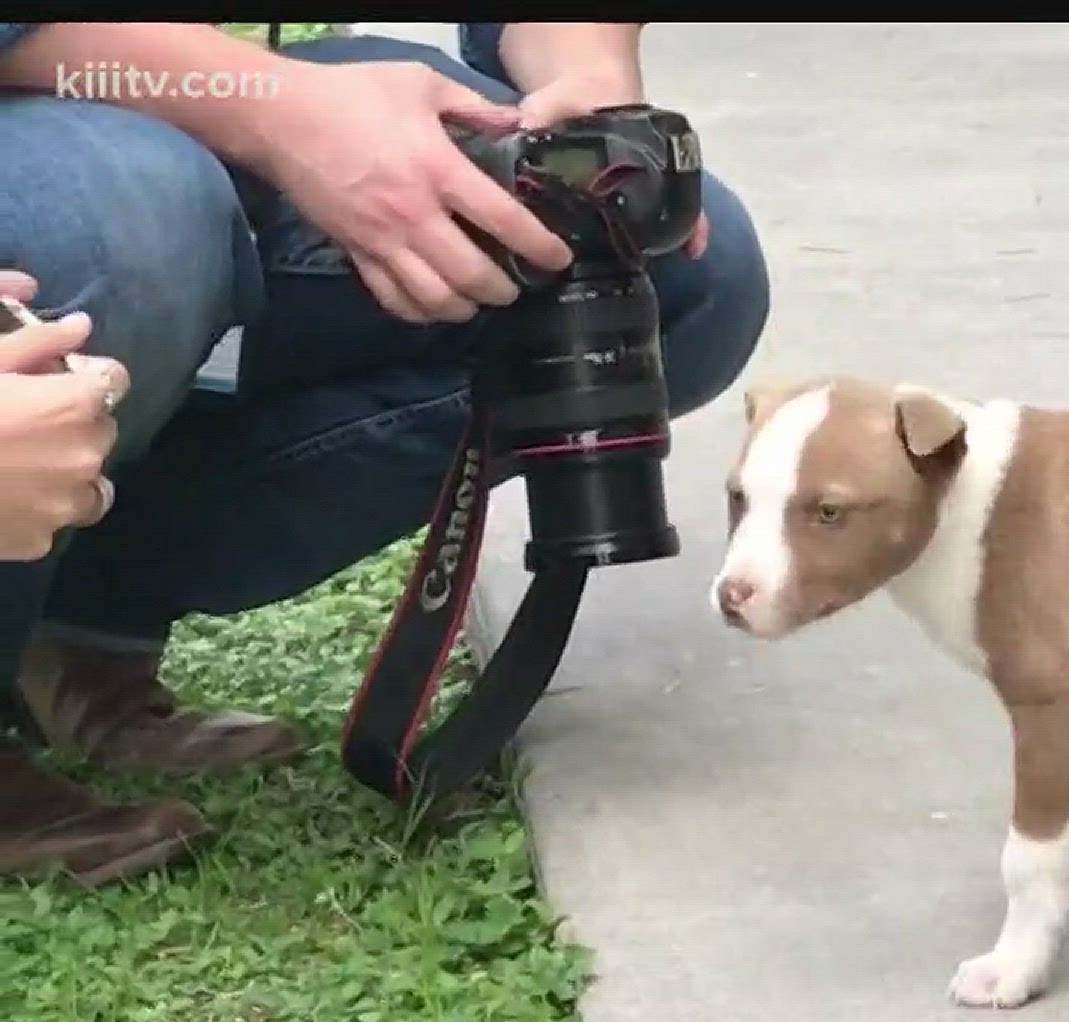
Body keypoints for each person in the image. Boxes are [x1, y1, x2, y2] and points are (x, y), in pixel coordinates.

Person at [0, 23, 769, 887]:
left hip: (123, 77)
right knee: (132, 218)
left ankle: (78, 615)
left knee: (661, 267)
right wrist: (282, 113)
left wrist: (588, 91)